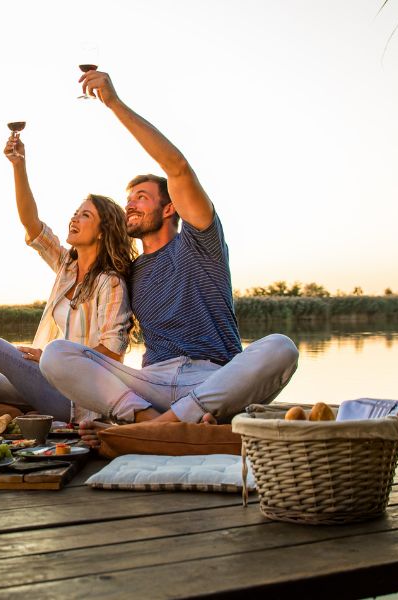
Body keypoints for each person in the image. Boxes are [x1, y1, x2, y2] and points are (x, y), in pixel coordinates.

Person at [38, 69, 300, 447]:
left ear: (170, 208)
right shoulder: (125, 271)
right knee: (56, 355)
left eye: (141, 197)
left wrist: (113, 103)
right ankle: (154, 421)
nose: (130, 204)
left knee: (281, 347)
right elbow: (65, 260)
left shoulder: (199, 241)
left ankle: (157, 429)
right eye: (129, 199)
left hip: (211, 380)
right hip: (152, 384)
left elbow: (177, 166)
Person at [0, 132, 135, 423]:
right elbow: (32, 224)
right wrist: (17, 165)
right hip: (52, 382)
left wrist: (52, 357)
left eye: (85, 215)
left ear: (102, 230)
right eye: (75, 213)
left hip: (80, 399)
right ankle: (9, 417)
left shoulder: (110, 283)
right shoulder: (67, 267)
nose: (74, 218)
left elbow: (112, 355)